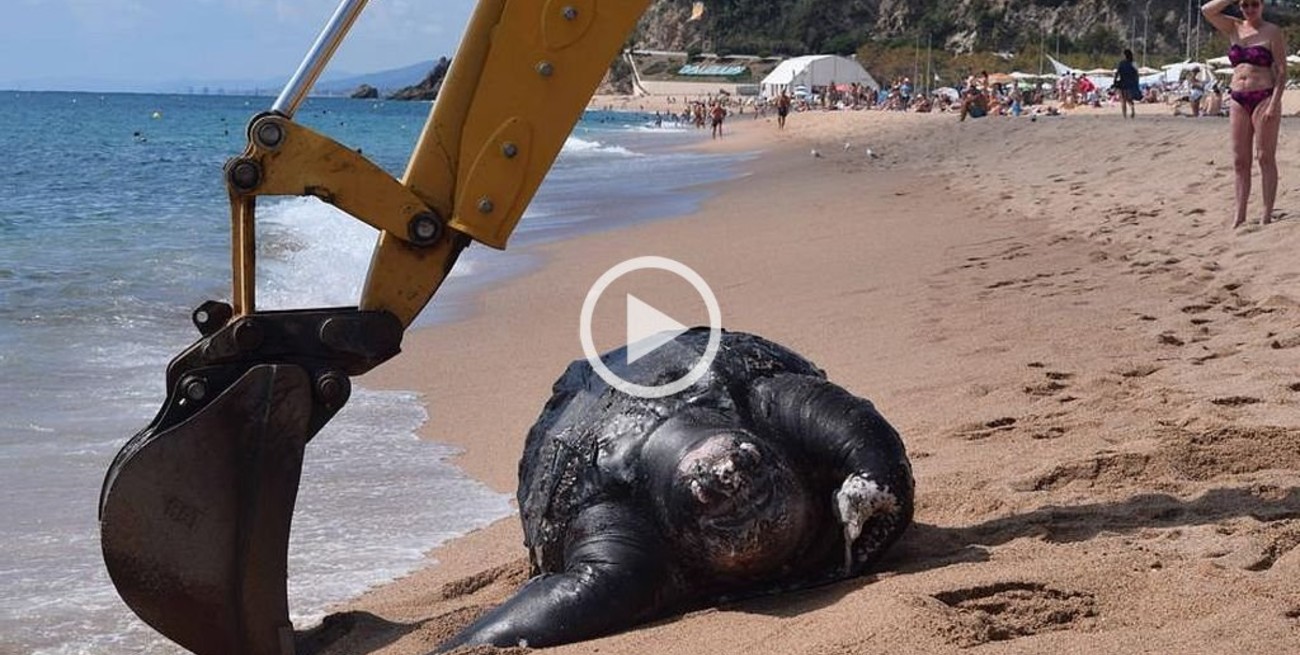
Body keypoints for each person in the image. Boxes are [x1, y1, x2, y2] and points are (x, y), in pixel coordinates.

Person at [1203, 0, 1287, 228]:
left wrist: (1274, 104)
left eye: (1254, 4)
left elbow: (1281, 72)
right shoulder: (1234, 27)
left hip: (1264, 96)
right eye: (1245, 5)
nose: (1250, 9)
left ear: (1262, 5)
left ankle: (1266, 213)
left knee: (1265, 156)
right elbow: (1207, 11)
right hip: (1238, 98)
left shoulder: (1272, 31)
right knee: (1240, 160)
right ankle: (1239, 214)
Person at [1115, 48, 1141, 119]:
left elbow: (1117, 73)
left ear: (1124, 55)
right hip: (1131, 83)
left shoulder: (1121, 63)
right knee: (1129, 98)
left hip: (1123, 83)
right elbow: (1137, 74)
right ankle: (1132, 108)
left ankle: (1124, 115)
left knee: (1123, 100)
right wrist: (1136, 82)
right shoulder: (1133, 63)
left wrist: (1115, 81)